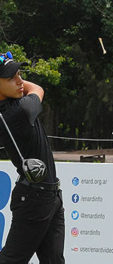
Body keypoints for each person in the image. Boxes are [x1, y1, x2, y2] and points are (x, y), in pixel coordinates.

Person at [0, 51, 65, 263]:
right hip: (34, 199)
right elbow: (37, 88)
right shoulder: (20, 110)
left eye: (20, 74)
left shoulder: (14, 104)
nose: (20, 82)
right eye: (12, 78)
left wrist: (8, 71)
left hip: (49, 195)